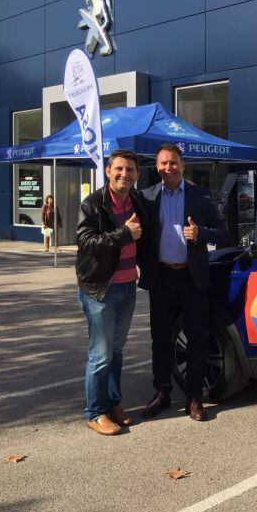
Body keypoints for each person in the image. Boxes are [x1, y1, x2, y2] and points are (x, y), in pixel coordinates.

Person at [138, 143, 226, 422]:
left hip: (192, 277)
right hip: (161, 276)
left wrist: (201, 233)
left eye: (173, 162)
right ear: (157, 166)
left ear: (182, 164)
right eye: (163, 163)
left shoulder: (200, 195)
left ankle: (194, 397)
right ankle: (162, 392)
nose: (168, 167)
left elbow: (222, 232)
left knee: (197, 338)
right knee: (160, 338)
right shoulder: (147, 197)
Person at [76, 150, 146, 436]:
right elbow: (85, 241)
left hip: (129, 287)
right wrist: (124, 234)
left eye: (130, 170)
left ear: (137, 175)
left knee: (116, 351)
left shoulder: (137, 201)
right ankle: (95, 412)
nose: (124, 175)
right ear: (108, 171)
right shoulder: (93, 203)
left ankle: (113, 403)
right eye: (119, 169)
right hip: (101, 290)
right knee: (101, 354)